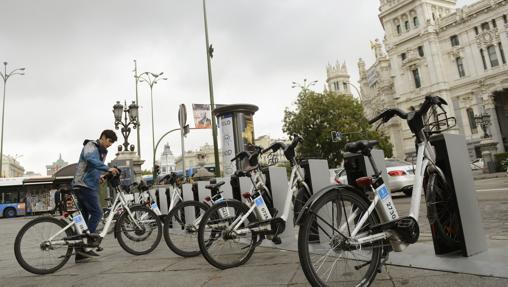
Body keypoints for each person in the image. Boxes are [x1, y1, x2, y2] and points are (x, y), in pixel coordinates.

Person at [72, 129, 119, 262]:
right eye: (109, 141)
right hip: (84, 185)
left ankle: (80, 253)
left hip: (86, 185)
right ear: (103, 137)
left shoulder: (101, 150)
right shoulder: (91, 145)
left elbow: (91, 168)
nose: (110, 144)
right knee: (98, 213)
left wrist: (100, 177)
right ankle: (86, 245)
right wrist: (107, 168)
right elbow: (90, 160)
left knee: (85, 219)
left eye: (112, 143)